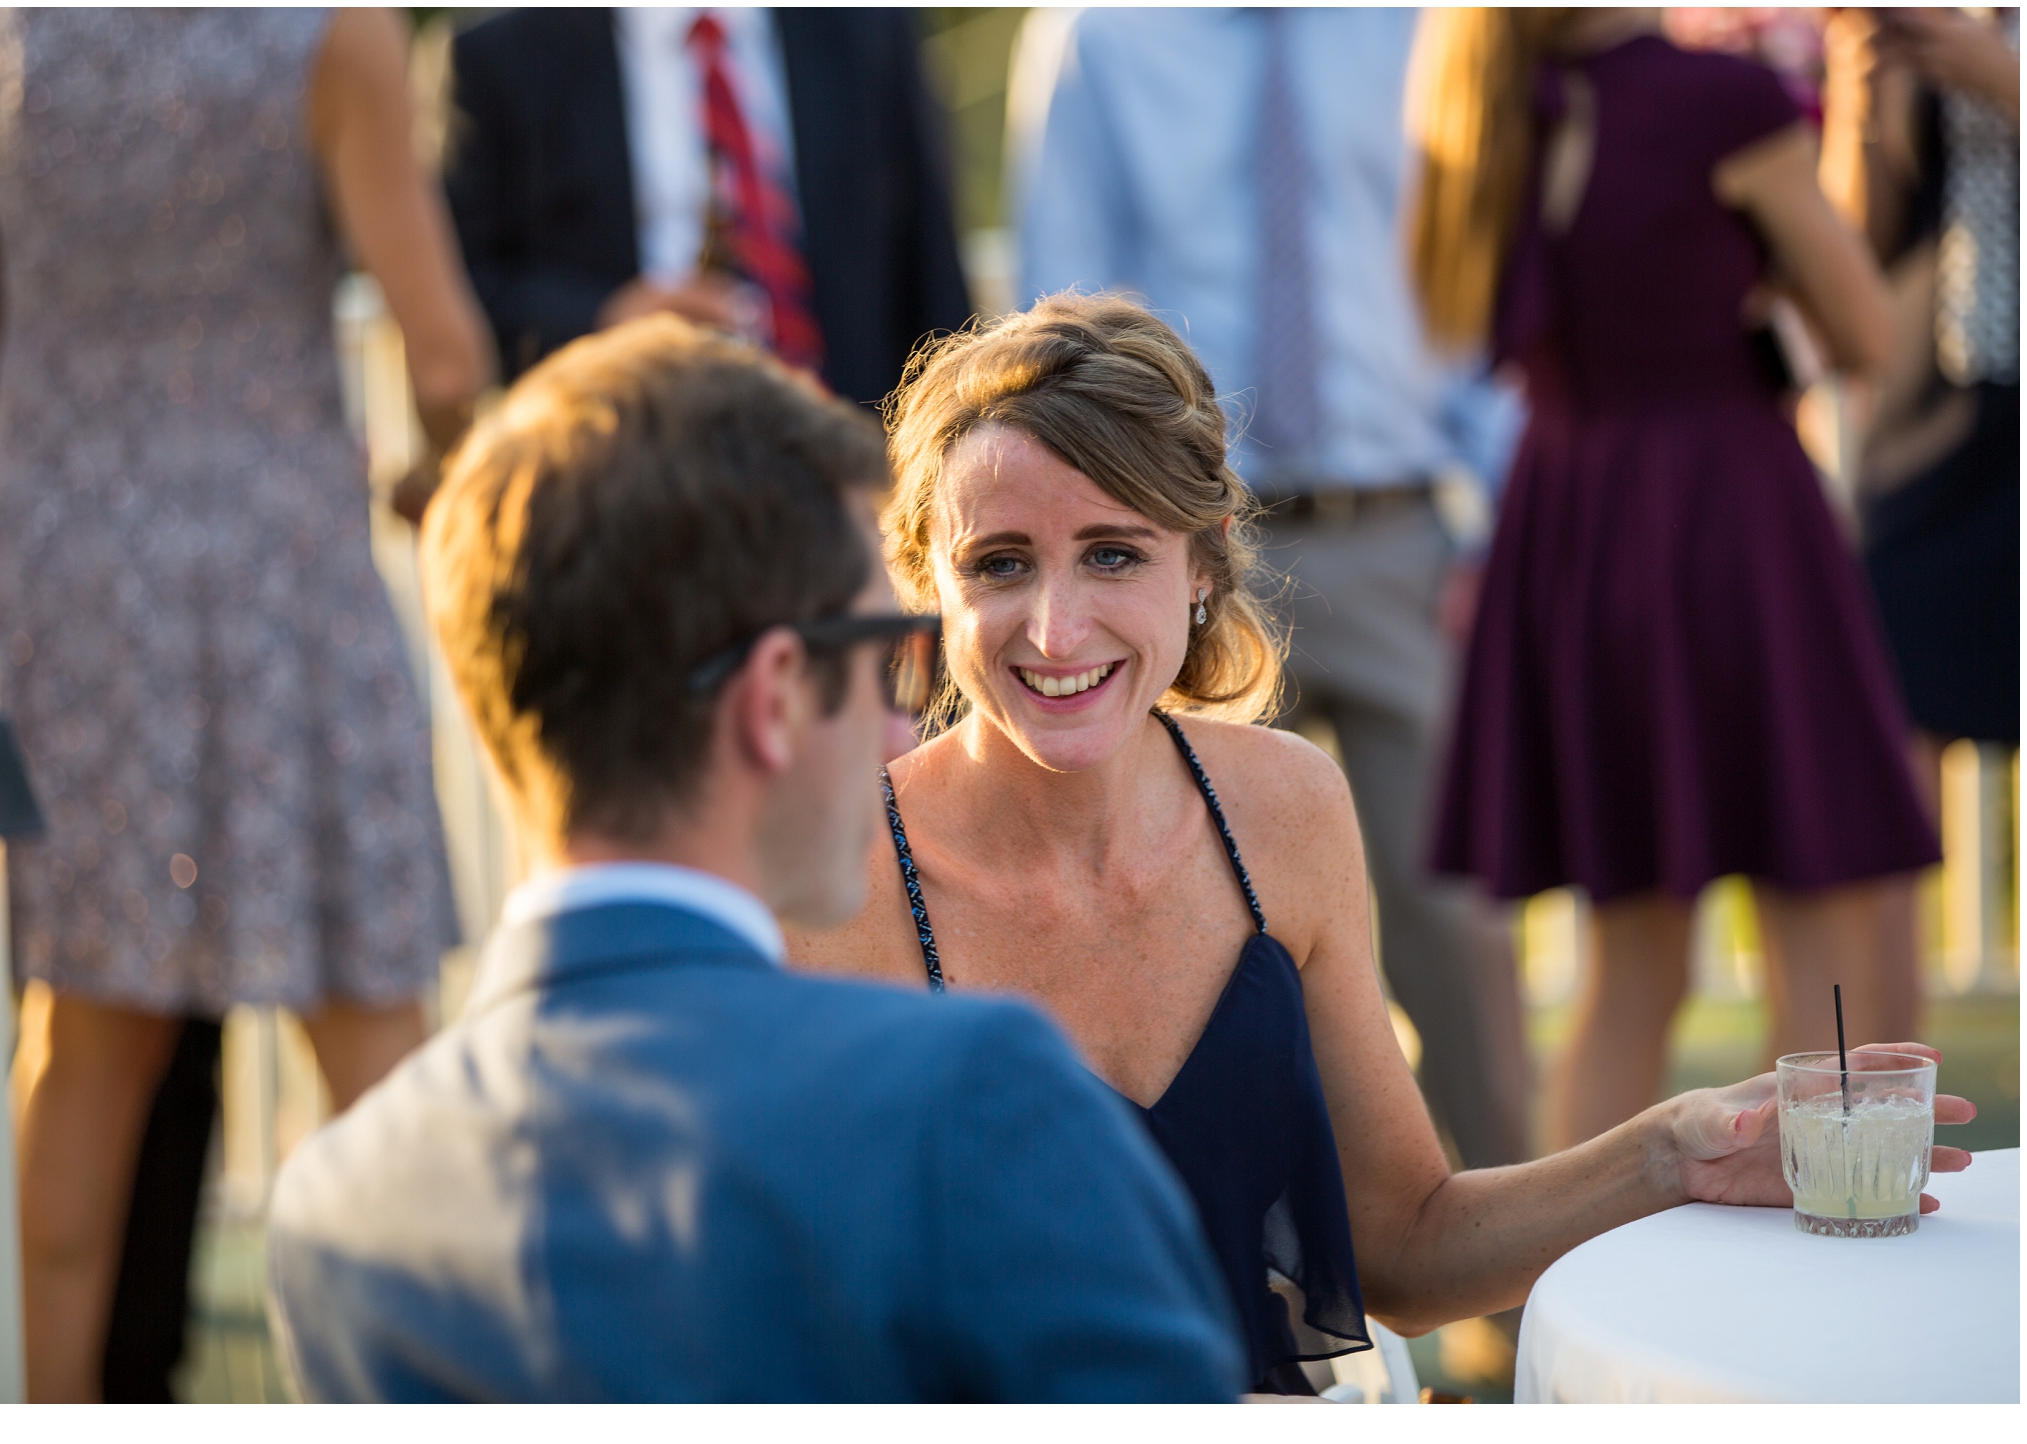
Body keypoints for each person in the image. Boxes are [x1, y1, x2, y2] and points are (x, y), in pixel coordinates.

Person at [787, 291, 1975, 1395]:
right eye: (999, 563)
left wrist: (1674, 1155)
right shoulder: (832, 882)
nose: (1055, 626)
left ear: (1199, 564)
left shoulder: (1285, 810)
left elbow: (1405, 1245)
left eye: (1113, 552)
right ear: (924, 583)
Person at [263, 316, 1247, 1404]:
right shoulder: (972, 1099)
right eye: (887, 657)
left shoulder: (332, 1210)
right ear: (777, 694)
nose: (896, 728)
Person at [0, 7, 492, 1401]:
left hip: (63, 592)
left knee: (79, 1044)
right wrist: (431, 480)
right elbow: (445, 359)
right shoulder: (327, 35)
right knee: (381, 1063)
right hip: (277, 579)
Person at [1406, 9, 1942, 1149]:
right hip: (1728, 527)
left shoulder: (1482, 104)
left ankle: (1568, 1278)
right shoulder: (1721, 104)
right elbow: (1867, 332)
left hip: (1571, 537)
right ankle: (1834, 1273)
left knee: (1632, 966)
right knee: (1821, 922)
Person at [1009, 6, 1531, 1173]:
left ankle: (1515, 1305)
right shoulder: (1103, 37)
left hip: (1401, 535)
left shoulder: (1422, 27)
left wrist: (1494, 523)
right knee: (1196, 933)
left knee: (1459, 930)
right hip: (1180, 558)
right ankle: (1244, 1294)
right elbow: (1062, 305)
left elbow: (1476, 277)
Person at [441, 6, 969, 399]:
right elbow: (461, 293)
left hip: (849, 466)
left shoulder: (867, 27)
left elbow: (931, 271)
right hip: (622, 471)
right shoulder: (500, 57)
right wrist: (607, 321)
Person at [1825, 7, 2017, 767]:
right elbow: (1853, 246)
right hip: (1929, 419)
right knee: (1884, 704)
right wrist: (1859, 89)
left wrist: (2001, 79)